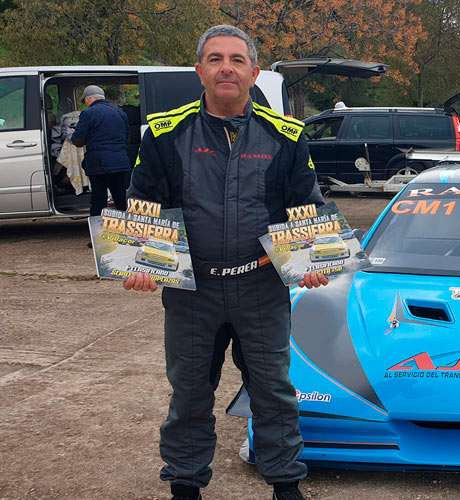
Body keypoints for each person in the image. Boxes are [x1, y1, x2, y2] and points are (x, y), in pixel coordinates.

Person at [124, 25, 329, 500]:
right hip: (192, 291)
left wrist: (313, 257)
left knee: (274, 390)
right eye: (215, 59)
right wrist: (139, 260)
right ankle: (185, 482)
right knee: (190, 391)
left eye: (237, 60)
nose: (226, 68)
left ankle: (284, 482)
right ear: (200, 71)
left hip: (262, 287)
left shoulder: (287, 136)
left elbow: (307, 206)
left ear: (254, 72)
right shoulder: (163, 133)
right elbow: (143, 201)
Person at [71, 84, 131, 246]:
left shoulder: (88, 113)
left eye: (85, 101)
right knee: (121, 199)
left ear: (90, 98)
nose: (85, 104)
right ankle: (129, 236)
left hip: (98, 164)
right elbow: (127, 137)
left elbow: (77, 140)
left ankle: (98, 239)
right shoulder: (120, 112)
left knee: (99, 200)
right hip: (120, 162)